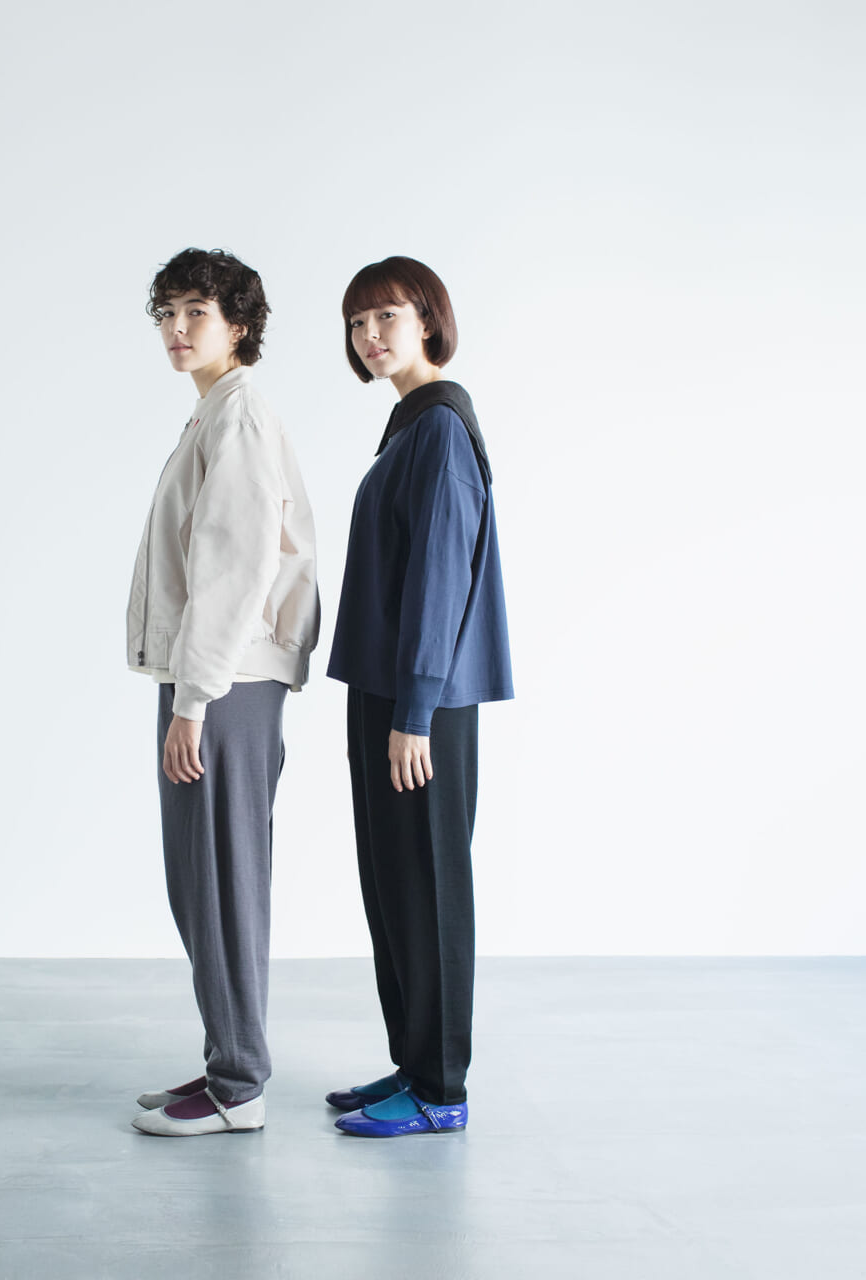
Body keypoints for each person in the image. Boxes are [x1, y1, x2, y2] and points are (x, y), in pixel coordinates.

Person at [126, 248, 319, 1136]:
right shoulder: (215, 411)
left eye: (195, 312)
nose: (176, 328)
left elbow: (237, 569)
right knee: (199, 880)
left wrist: (194, 700)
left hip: (227, 682)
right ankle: (225, 1060)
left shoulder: (238, 416)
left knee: (224, 881)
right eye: (166, 313)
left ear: (238, 325)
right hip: (212, 677)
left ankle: (239, 1085)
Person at [325, 256, 512, 1137]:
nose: (370, 335)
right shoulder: (407, 427)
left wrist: (414, 712)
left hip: (420, 706)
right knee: (393, 882)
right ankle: (412, 1063)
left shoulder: (439, 428)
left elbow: (441, 579)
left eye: (386, 317)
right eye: (357, 323)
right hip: (387, 692)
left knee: (430, 886)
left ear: (428, 320)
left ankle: (441, 1089)